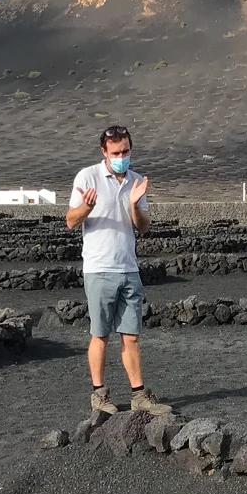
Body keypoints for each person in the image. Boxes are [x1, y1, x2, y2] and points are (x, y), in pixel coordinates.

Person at [64, 125, 172, 417]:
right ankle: (98, 394)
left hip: (129, 267)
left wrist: (134, 204)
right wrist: (86, 208)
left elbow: (143, 226)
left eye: (125, 151)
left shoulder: (136, 181)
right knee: (100, 334)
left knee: (131, 335)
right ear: (104, 152)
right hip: (99, 268)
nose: (121, 157)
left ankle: (139, 395)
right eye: (116, 153)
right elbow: (71, 221)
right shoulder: (88, 177)